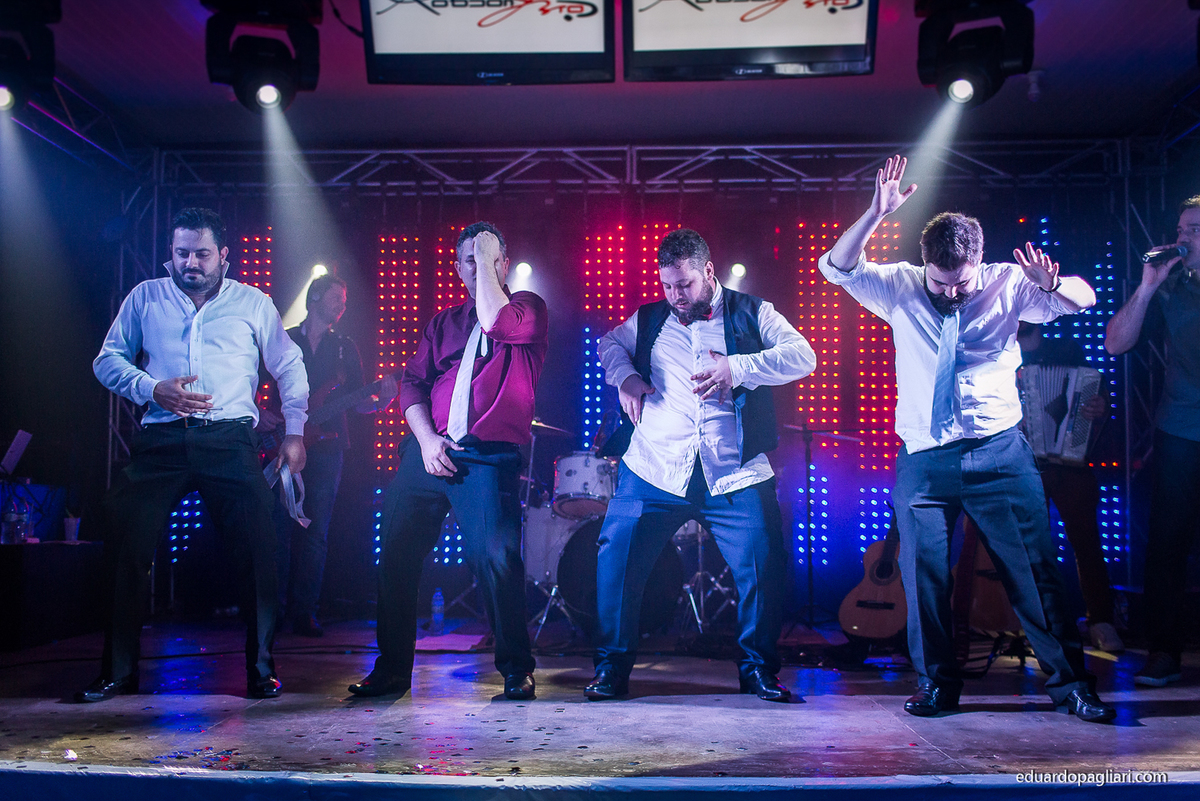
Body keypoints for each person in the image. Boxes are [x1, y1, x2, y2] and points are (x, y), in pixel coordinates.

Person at [818, 156, 1115, 723]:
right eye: (941, 281)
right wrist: (875, 213)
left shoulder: (1008, 282)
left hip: (999, 453)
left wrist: (1053, 284)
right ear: (925, 263)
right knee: (922, 578)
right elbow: (836, 268)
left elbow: (1085, 297)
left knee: (1035, 574)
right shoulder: (900, 286)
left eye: (962, 282)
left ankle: (1072, 685)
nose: (952, 292)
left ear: (980, 260)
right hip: (925, 458)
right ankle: (936, 685)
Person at [81, 207, 308, 702]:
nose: (191, 263)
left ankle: (261, 670)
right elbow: (107, 360)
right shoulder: (146, 296)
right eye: (182, 253)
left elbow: (289, 364)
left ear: (223, 255)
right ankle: (117, 672)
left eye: (201, 254)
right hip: (161, 440)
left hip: (229, 440)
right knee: (125, 545)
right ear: (172, 252)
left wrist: (295, 432)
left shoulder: (253, 302)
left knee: (259, 549)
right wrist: (151, 388)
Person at [586, 228, 816, 702]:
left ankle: (757, 671)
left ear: (709, 271)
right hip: (654, 466)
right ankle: (611, 670)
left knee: (762, 563)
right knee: (616, 558)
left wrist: (738, 368)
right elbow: (608, 345)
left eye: (685, 285)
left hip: (733, 471)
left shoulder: (754, 312)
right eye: (667, 285)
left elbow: (803, 357)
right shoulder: (649, 318)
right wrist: (625, 377)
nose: (676, 296)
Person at [349, 221, 546, 701]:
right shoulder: (443, 324)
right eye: (468, 261)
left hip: (486, 457)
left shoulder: (528, 309)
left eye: (487, 259)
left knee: (497, 559)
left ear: (504, 264)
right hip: (429, 449)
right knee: (395, 554)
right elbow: (411, 385)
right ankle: (391, 670)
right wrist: (425, 440)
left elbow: (496, 323)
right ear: (457, 269)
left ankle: (517, 668)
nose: (477, 268)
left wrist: (487, 262)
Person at [259, 275, 398, 637]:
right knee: (276, 529)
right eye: (337, 297)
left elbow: (359, 402)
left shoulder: (344, 348)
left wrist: (382, 401)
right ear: (316, 297)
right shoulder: (284, 337)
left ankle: (304, 611)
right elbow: (253, 382)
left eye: (345, 300)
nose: (342, 305)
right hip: (284, 441)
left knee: (316, 532)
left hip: (326, 447)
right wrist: (261, 415)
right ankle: (272, 611)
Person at [1105, 195, 1200, 687]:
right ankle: (1164, 652)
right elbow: (1115, 343)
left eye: (1196, 230)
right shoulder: (1170, 289)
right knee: (1166, 543)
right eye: (1182, 230)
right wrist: (1147, 288)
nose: (1184, 238)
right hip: (1180, 429)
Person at [1015, 322, 1123, 653]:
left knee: (1086, 540)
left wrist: (1100, 405)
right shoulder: (998, 351)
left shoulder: (1067, 349)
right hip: (1021, 463)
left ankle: (1100, 619)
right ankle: (1034, 625)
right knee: (1026, 546)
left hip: (1069, 460)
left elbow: (1098, 395)